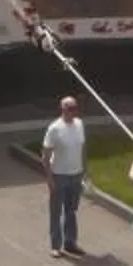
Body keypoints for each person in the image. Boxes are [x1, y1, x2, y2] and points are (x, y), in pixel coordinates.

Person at [40, 96, 87, 256]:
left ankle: (70, 242)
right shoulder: (55, 128)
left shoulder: (80, 124)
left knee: (71, 210)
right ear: (63, 109)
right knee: (56, 211)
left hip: (76, 174)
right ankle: (55, 245)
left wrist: (84, 169)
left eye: (75, 107)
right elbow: (45, 155)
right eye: (70, 108)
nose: (73, 111)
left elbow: (82, 148)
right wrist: (49, 178)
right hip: (59, 175)